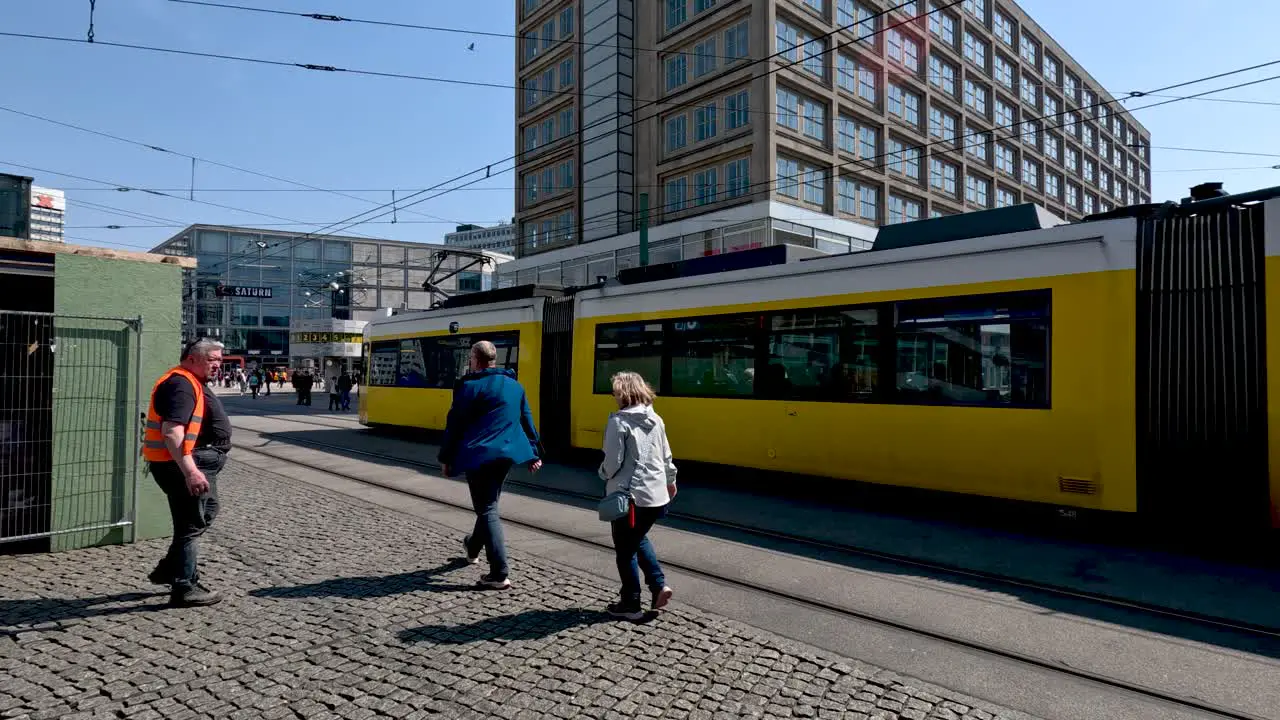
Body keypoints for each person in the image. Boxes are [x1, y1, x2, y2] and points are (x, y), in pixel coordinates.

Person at [439, 340, 543, 590]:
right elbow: (526, 420)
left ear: (475, 359)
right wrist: (534, 453)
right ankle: (472, 545)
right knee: (489, 506)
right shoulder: (515, 386)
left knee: (487, 509)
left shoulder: (469, 387)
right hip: (506, 455)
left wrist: (446, 458)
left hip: (479, 455)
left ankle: (499, 573)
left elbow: (455, 425)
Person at [142, 339, 232, 607]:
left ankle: (170, 569)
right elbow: (172, 431)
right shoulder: (181, 384)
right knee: (190, 526)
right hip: (180, 466)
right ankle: (185, 586)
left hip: (182, 463)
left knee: (207, 511)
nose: (218, 365)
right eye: (212, 359)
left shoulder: (189, 381)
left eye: (220, 360)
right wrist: (191, 471)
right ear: (192, 358)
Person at [598, 371, 677, 620]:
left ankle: (630, 604)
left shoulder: (618, 422)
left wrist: (601, 473)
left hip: (629, 499)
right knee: (637, 538)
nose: (613, 397)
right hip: (655, 496)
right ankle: (658, 586)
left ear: (622, 393)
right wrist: (671, 482)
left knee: (625, 550)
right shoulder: (656, 419)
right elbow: (666, 457)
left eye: (614, 392)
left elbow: (612, 463)